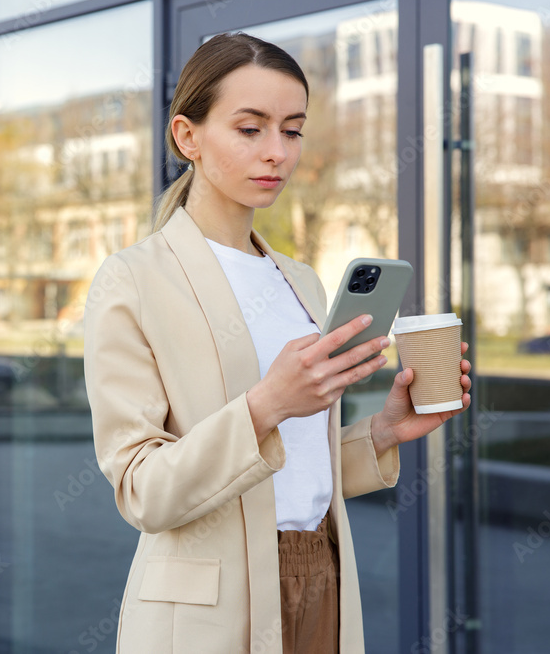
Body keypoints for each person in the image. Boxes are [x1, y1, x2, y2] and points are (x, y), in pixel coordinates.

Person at [82, 32, 471, 654]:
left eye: (291, 131)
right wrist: (267, 404)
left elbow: (286, 471)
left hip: (322, 574)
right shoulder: (133, 279)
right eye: (249, 128)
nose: (277, 154)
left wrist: (383, 433)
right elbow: (142, 488)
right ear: (188, 138)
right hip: (209, 608)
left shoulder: (302, 282)